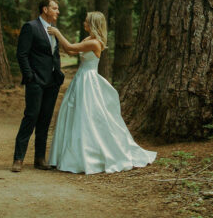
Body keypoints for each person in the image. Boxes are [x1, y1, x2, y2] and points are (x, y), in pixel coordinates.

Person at [47, 12, 157, 174]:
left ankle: (91, 155)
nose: (83, 22)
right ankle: (70, 155)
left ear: (92, 23)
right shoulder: (87, 40)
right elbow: (71, 52)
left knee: (87, 116)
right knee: (74, 114)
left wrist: (57, 33)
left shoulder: (94, 43)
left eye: (86, 20)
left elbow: (70, 47)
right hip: (81, 79)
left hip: (88, 81)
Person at [11, 0, 65, 173]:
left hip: (52, 82)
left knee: (45, 120)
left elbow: (54, 54)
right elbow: (22, 54)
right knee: (31, 116)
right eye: (55, 8)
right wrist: (30, 76)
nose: (58, 11)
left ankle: (39, 159)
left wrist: (58, 74)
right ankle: (18, 159)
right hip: (36, 81)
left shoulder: (54, 30)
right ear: (45, 9)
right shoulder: (31, 27)